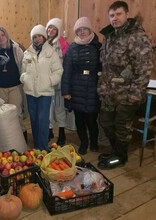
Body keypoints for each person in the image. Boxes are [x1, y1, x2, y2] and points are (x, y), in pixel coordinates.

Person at [97, 1, 153, 169]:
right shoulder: (109, 36)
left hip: (127, 93)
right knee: (105, 121)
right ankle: (116, 151)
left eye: (119, 14)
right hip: (109, 92)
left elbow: (144, 68)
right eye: (112, 15)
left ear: (127, 14)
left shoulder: (137, 36)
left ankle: (120, 157)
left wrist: (135, 94)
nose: (115, 18)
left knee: (122, 126)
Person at [61, 17, 101, 155]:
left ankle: (94, 142)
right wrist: (66, 91)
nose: (82, 32)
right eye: (79, 30)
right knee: (79, 119)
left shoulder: (98, 46)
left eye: (85, 29)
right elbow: (67, 70)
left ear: (90, 30)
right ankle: (84, 143)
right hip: (76, 86)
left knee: (92, 119)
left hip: (93, 87)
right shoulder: (72, 48)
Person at [20, 24, 63, 151]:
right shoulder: (27, 53)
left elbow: (58, 71)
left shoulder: (51, 52)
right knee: (33, 119)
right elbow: (23, 71)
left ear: (44, 37)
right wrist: (25, 79)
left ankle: (43, 147)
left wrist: (50, 81)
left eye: (39, 36)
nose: (37, 39)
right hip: (30, 92)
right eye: (35, 36)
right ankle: (36, 145)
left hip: (45, 92)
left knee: (43, 120)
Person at [0, 27, 26, 140]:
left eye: (2, 35)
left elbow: (23, 65)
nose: (1, 38)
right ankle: (6, 139)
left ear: (6, 36)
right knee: (1, 115)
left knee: (17, 114)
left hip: (15, 86)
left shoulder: (16, 49)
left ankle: (22, 137)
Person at [46, 18, 70, 145]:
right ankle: (49, 130)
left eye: (54, 29)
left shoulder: (63, 44)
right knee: (48, 107)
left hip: (59, 81)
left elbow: (65, 64)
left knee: (59, 108)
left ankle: (62, 132)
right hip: (46, 81)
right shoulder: (43, 42)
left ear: (58, 31)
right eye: (49, 27)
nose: (51, 30)